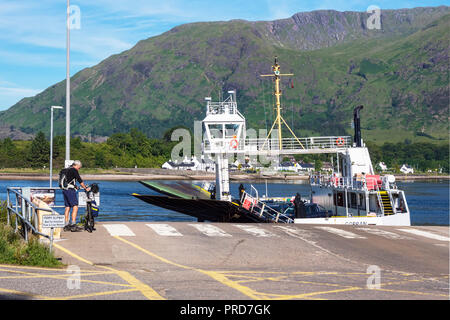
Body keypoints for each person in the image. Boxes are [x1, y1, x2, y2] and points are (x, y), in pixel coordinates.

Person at [63, 160, 91, 231]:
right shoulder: (74, 170)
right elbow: (80, 180)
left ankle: (66, 225)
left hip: (65, 190)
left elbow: (69, 180)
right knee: (75, 206)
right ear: (77, 165)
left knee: (67, 207)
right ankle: (73, 225)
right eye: (79, 167)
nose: (79, 169)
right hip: (70, 191)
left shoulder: (67, 170)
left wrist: (76, 187)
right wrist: (85, 188)